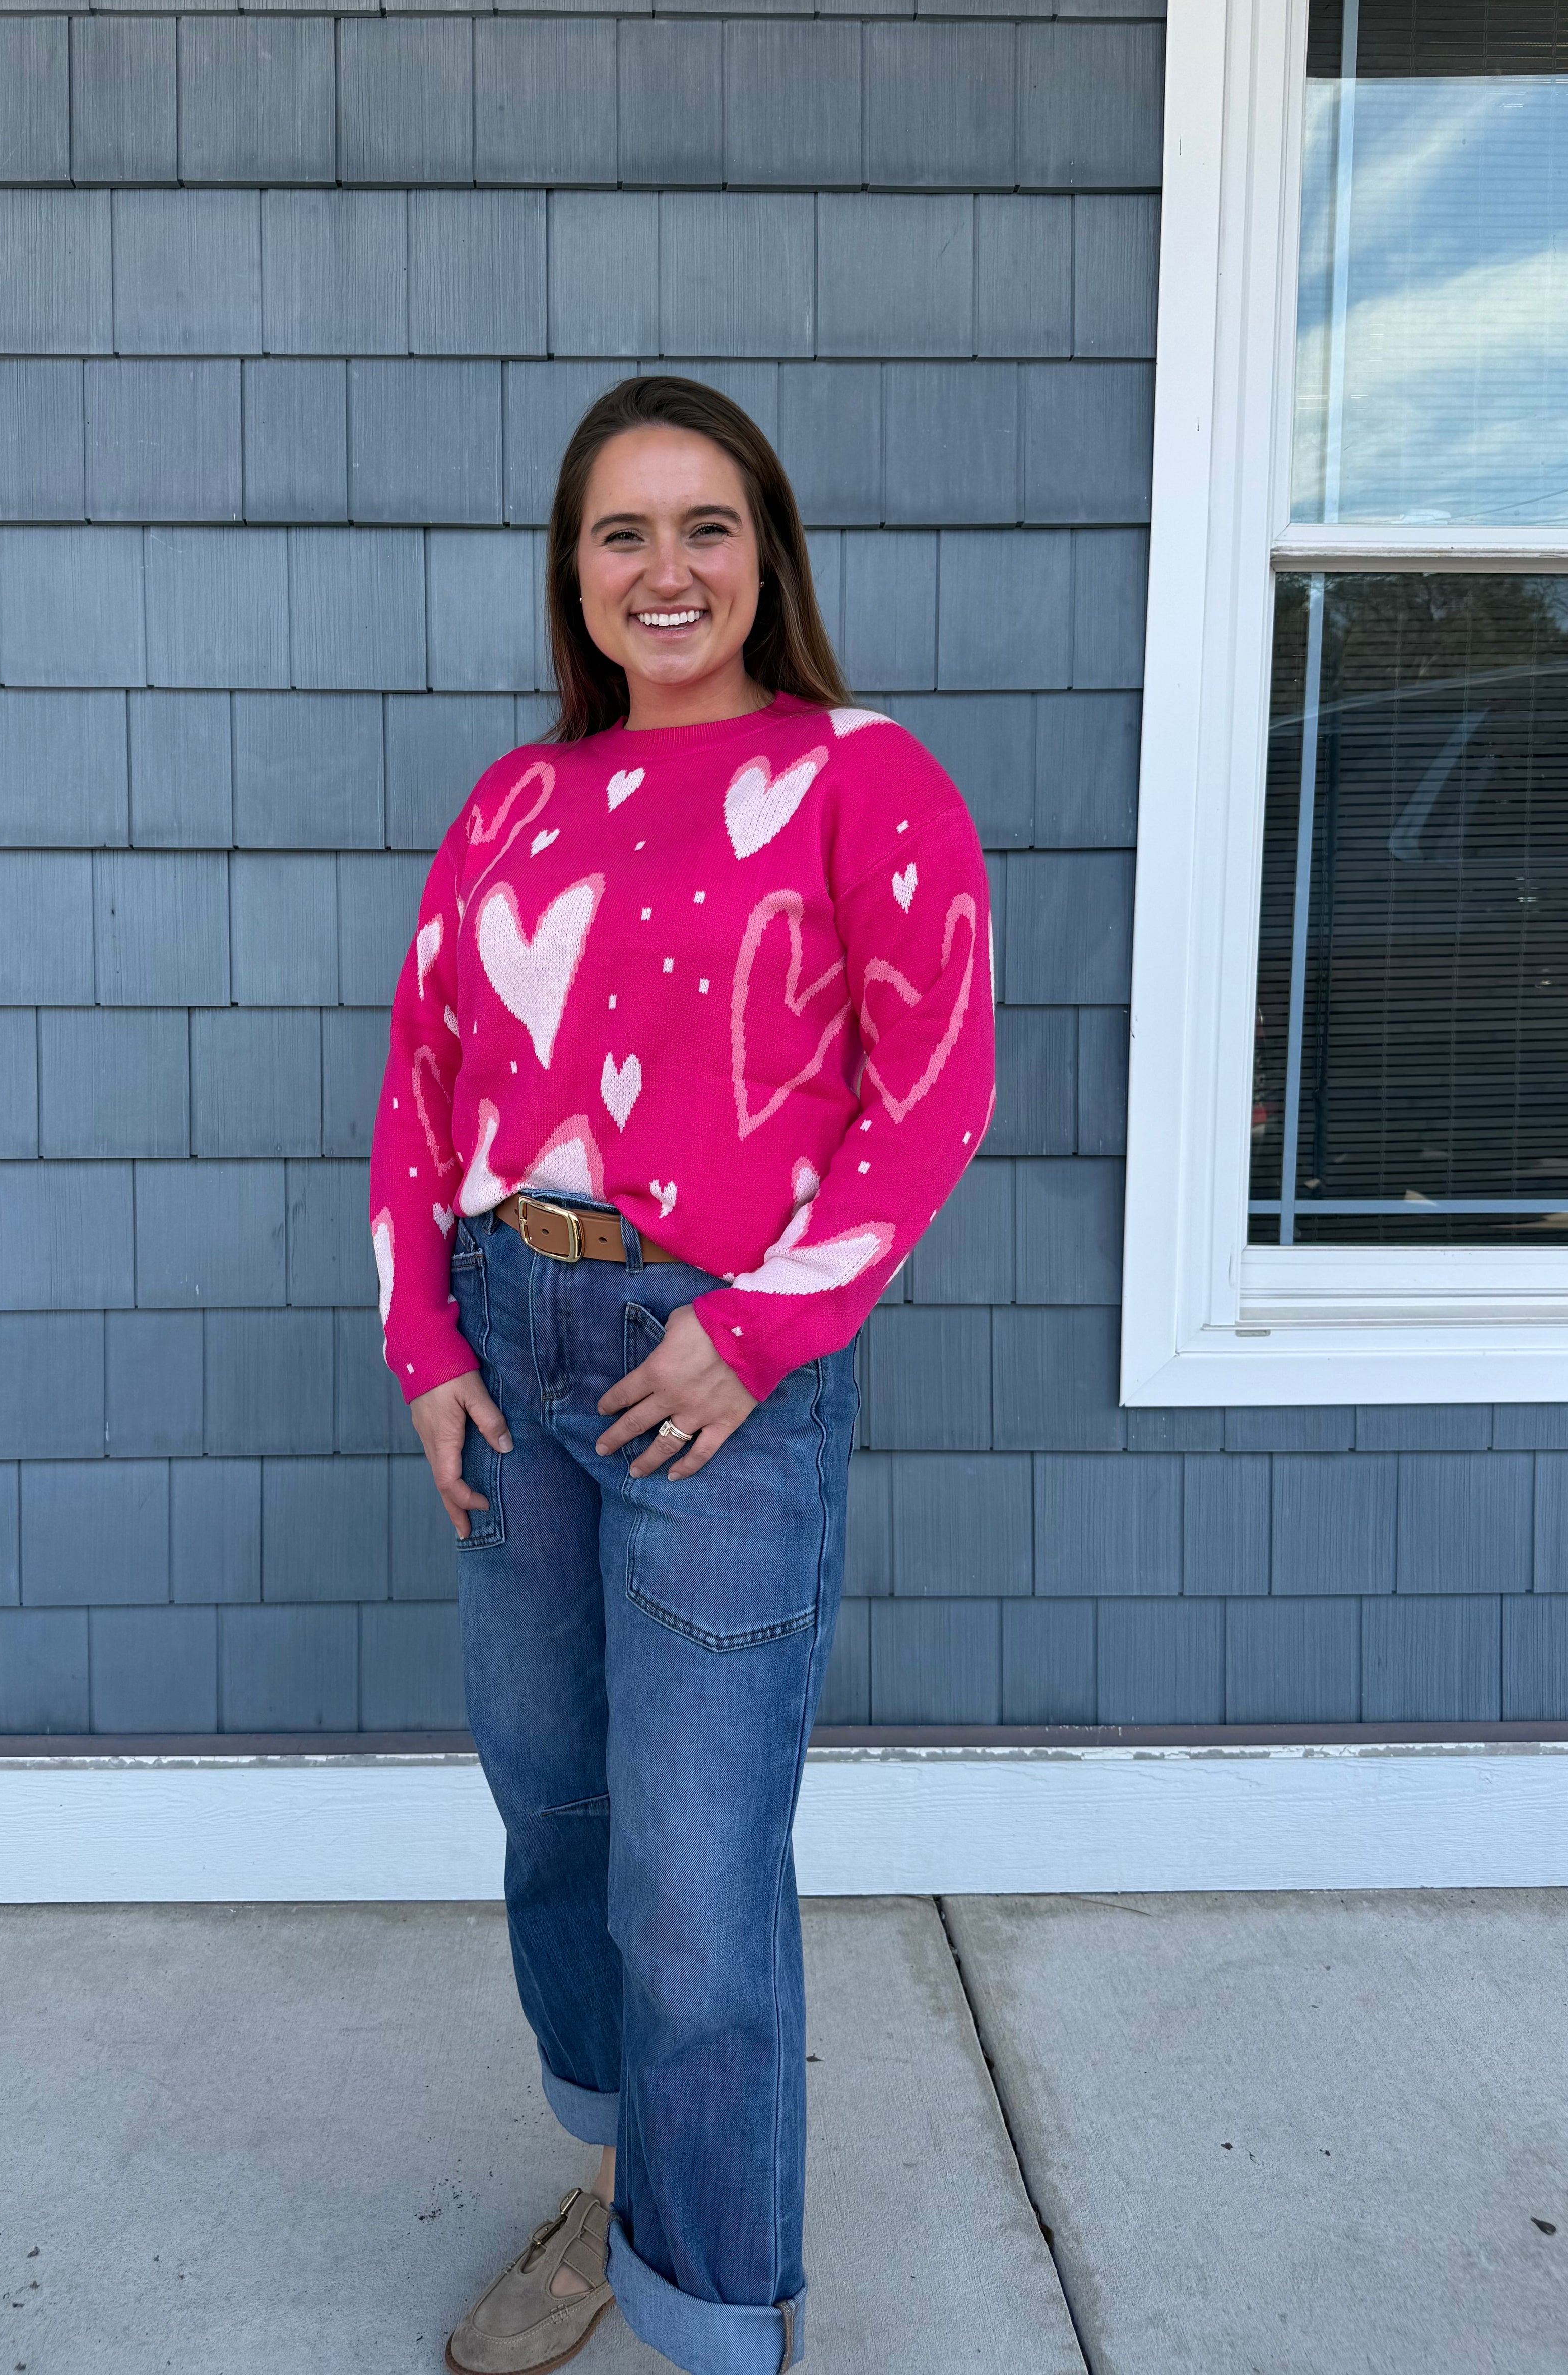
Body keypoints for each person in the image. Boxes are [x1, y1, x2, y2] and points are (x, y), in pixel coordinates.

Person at [368, 374, 995, 2375]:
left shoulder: (863, 778)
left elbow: (939, 1092)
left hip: (712, 1364)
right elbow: (424, 1080)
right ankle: (624, 2172)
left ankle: (718, 2310)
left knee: (698, 1871)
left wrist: (754, 1328)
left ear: (765, 552)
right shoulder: (509, 805)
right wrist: (422, 1347)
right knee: (551, 1803)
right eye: (622, 530)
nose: (667, 567)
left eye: (705, 524)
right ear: (573, 571)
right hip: (506, 1339)